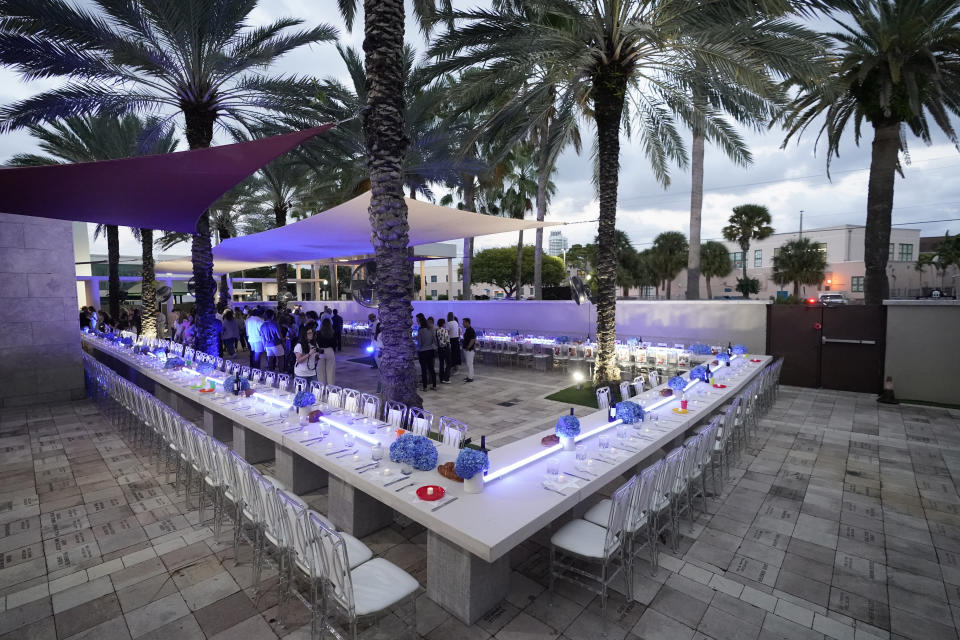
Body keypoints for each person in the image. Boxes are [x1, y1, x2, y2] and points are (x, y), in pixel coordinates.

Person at [416, 315, 437, 391]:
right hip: (430, 351)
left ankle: (425, 387)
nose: (416, 321)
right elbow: (434, 340)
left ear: (420, 321)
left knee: (424, 369)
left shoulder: (420, 330)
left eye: (417, 319)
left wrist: (417, 349)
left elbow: (420, 344)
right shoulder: (430, 329)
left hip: (423, 352)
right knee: (431, 369)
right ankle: (434, 385)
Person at [315, 318, 337, 384]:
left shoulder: (318, 333)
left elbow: (316, 343)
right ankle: (330, 388)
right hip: (330, 351)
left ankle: (322, 387)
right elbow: (335, 344)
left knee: (320, 371)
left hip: (321, 351)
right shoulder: (333, 333)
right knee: (330, 371)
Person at [436, 318, 451, 384]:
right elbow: (447, 340)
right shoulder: (445, 331)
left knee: (441, 363)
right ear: (443, 323)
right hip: (445, 348)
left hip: (440, 349)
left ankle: (441, 378)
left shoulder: (437, 331)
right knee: (449, 363)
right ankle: (446, 378)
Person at [461, 317, 476, 383]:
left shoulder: (471, 330)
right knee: (468, 363)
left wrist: (468, 347)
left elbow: (472, 340)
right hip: (466, 349)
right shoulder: (467, 330)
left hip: (469, 350)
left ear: (467, 322)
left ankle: (470, 377)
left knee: (470, 363)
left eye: (463, 322)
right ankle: (469, 376)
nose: (462, 324)